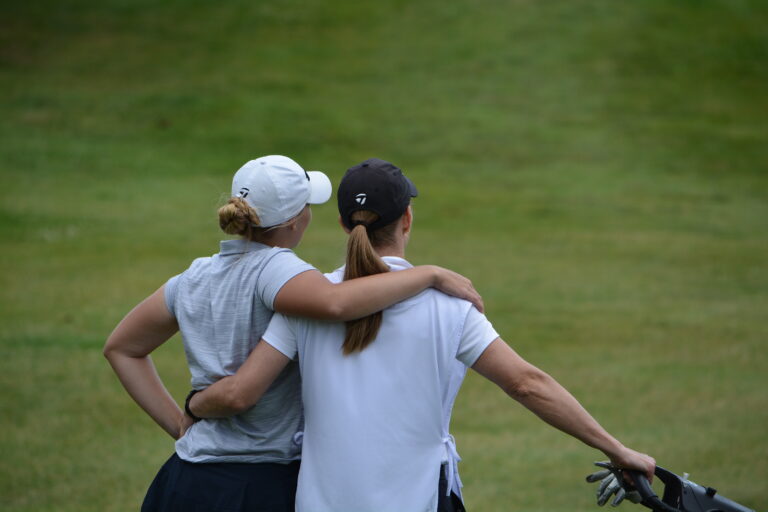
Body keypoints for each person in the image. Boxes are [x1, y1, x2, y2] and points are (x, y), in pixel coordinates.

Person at [189, 158, 656, 512]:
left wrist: (194, 407)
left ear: (341, 226)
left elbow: (242, 390)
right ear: (407, 220)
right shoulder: (451, 307)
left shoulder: (303, 303)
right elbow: (527, 383)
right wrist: (617, 449)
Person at [103, 155, 483, 512]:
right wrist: (428, 274)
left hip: (184, 478)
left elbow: (122, 348)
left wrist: (179, 425)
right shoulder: (278, 269)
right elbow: (336, 303)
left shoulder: (194, 275)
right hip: (262, 483)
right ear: (293, 222)